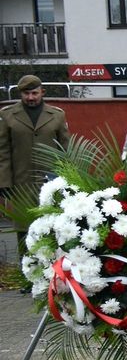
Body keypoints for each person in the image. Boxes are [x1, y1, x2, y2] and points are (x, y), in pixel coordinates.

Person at [0, 74, 71, 257]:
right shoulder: (8, 116)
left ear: (42, 92)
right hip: (21, 184)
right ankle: (27, 276)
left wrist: (69, 180)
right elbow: (3, 152)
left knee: (51, 229)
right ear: (20, 94)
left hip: (50, 184)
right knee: (25, 231)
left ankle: (51, 276)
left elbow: (66, 150)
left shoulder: (57, 115)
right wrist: (4, 183)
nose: (30, 97)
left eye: (34, 93)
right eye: (26, 93)